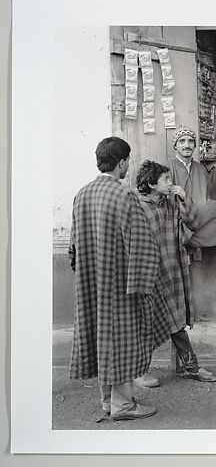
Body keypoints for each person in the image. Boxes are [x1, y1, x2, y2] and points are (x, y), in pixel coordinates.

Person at [69, 137, 170, 421]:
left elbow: (74, 246)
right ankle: (123, 405)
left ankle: (108, 402)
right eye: (129, 161)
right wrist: (146, 282)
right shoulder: (124, 195)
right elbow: (141, 243)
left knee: (102, 337)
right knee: (123, 339)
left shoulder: (82, 194)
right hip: (121, 282)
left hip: (91, 281)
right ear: (123, 162)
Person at [133, 161, 216, 387]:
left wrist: (183, 198)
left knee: (176, 318)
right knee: (147, 322)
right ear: (151, 184)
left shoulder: (170, 202)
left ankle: (189, 367)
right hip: (148, 272)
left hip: (172, 267)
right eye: (165, 180)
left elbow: (193, 222)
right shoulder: (136, 205)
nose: (171, 183)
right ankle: (140, 371)